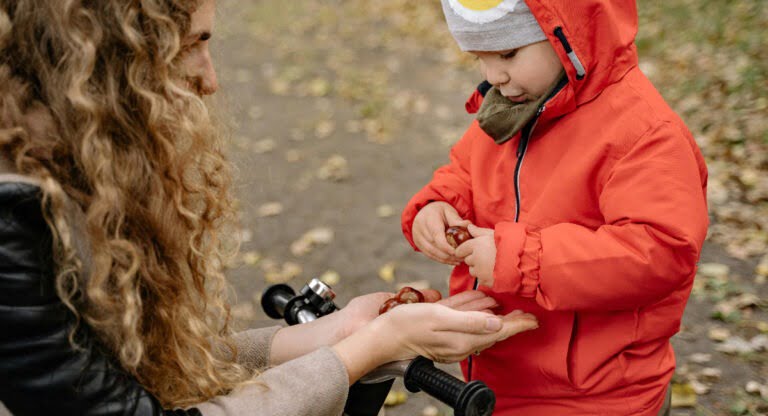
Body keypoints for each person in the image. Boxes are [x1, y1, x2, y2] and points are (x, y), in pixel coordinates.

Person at [0, 0, 540, 415]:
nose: (209, 80)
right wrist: (372, 347)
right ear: (104, 63)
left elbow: (133, 375)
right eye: (191, 45)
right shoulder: (11, 226)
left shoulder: (58, 170)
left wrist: (329, 336)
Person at [400, 0, 709, 415]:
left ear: (566, 35)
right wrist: (437, 204)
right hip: (499, 373)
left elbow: (660, 251)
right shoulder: (512, 108)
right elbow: (467, 170)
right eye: (479, 57)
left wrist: (522, 260)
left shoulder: (644, 133)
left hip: (598, 394)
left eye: (508, 53)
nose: (494, 76)